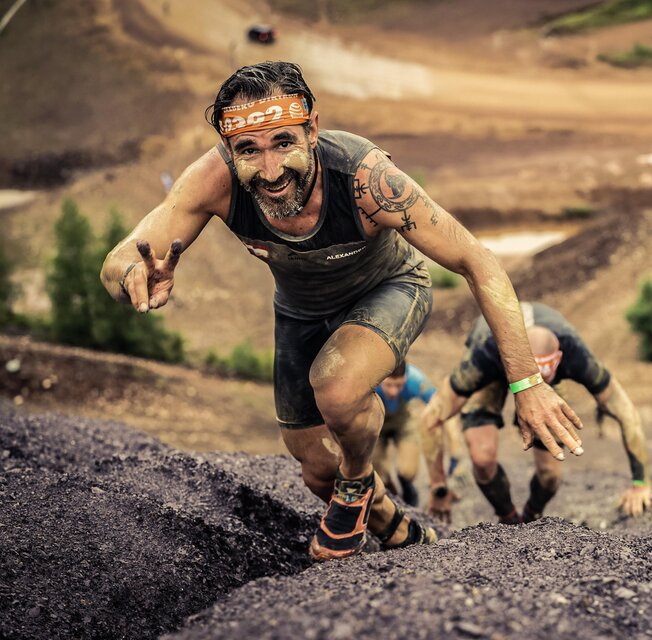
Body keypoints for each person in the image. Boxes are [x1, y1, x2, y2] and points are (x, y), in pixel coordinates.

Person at [100, 61, 584, 561]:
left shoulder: (366, 179)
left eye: (283, 143)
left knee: (337, 388)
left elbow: (477, 261)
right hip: (300, 311)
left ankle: (356, 482)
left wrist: (526, 383)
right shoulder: (211, 180)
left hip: (390, 288)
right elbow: (120, 259)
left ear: (312, 130)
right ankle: (400, 531)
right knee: (316, 470)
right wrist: (132, 277)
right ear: (228, 148)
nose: (270, 171)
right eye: (248, 150)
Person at [422, 302, 651, 524]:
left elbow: (626, 412)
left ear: (558, 360)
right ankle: (509, 519)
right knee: (482, 459)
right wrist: (438, 487)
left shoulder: (575, 353)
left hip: (534, 374)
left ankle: (531, 515)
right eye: (531, 379)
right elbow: (431, 417)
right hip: (499, 365)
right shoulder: (485, 354)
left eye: (541, 377)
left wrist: (640, 483)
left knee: (550, 475)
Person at [374, 359, 435, 506]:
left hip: (403, 421)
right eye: (389, 385)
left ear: (405, 378)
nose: (394, 392)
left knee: (408, 471)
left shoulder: (415, 379)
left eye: (399, 385)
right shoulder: (370, 380)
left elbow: (439, 403)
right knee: (375, 472)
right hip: (376, 421)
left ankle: (409, 493)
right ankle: (389, 495)